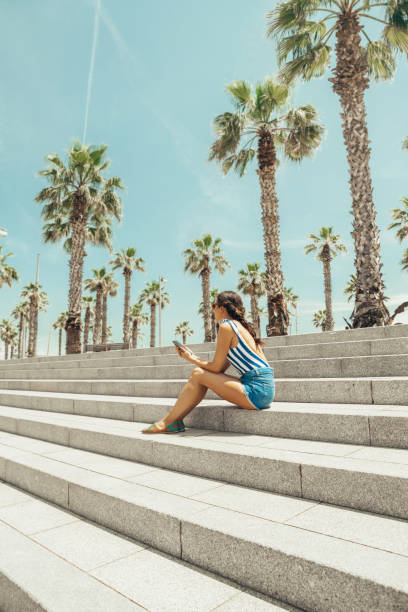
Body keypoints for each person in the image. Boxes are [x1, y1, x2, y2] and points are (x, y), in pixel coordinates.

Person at [142, 290, 275, 434]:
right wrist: (194, 357)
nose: (213, 311)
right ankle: (174, 421)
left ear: (222, 308)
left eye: (214, 305)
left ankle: (168, 422)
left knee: (198, 374)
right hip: (264, 390)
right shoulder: (239, 327)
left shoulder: (226, 326)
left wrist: (190, 359)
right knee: (199, 374)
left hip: (257, 391)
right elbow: (220, 369)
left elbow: (216, 368)